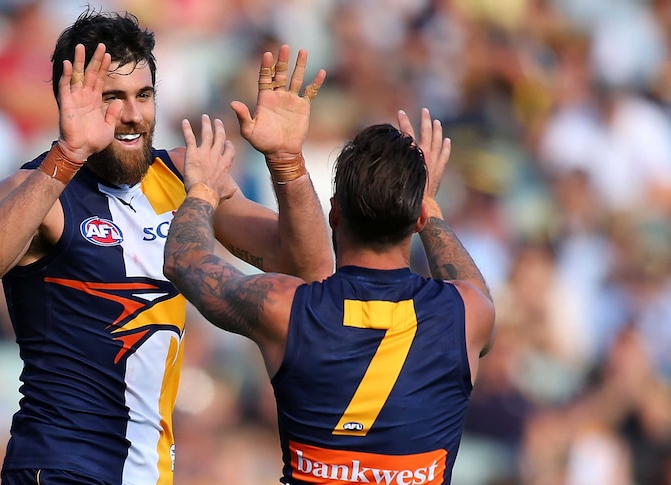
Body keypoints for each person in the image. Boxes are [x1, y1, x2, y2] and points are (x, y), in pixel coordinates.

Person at [0, 8, 333, 485]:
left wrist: (286, 160)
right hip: (60, 467)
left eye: (144, 95)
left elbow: (310, 268)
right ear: (68, 100)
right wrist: (68, 155)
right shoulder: (38, 189)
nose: (133, 116)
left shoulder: (180, 174)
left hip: (148, 473)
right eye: (113, 98)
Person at [164, 108, 496, 485]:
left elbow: (184, 262)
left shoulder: (284, 307)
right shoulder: (467, 314)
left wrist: (203, 189)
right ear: (417, 219)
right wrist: (431, 206)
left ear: (334, 213)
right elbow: (477, 292)